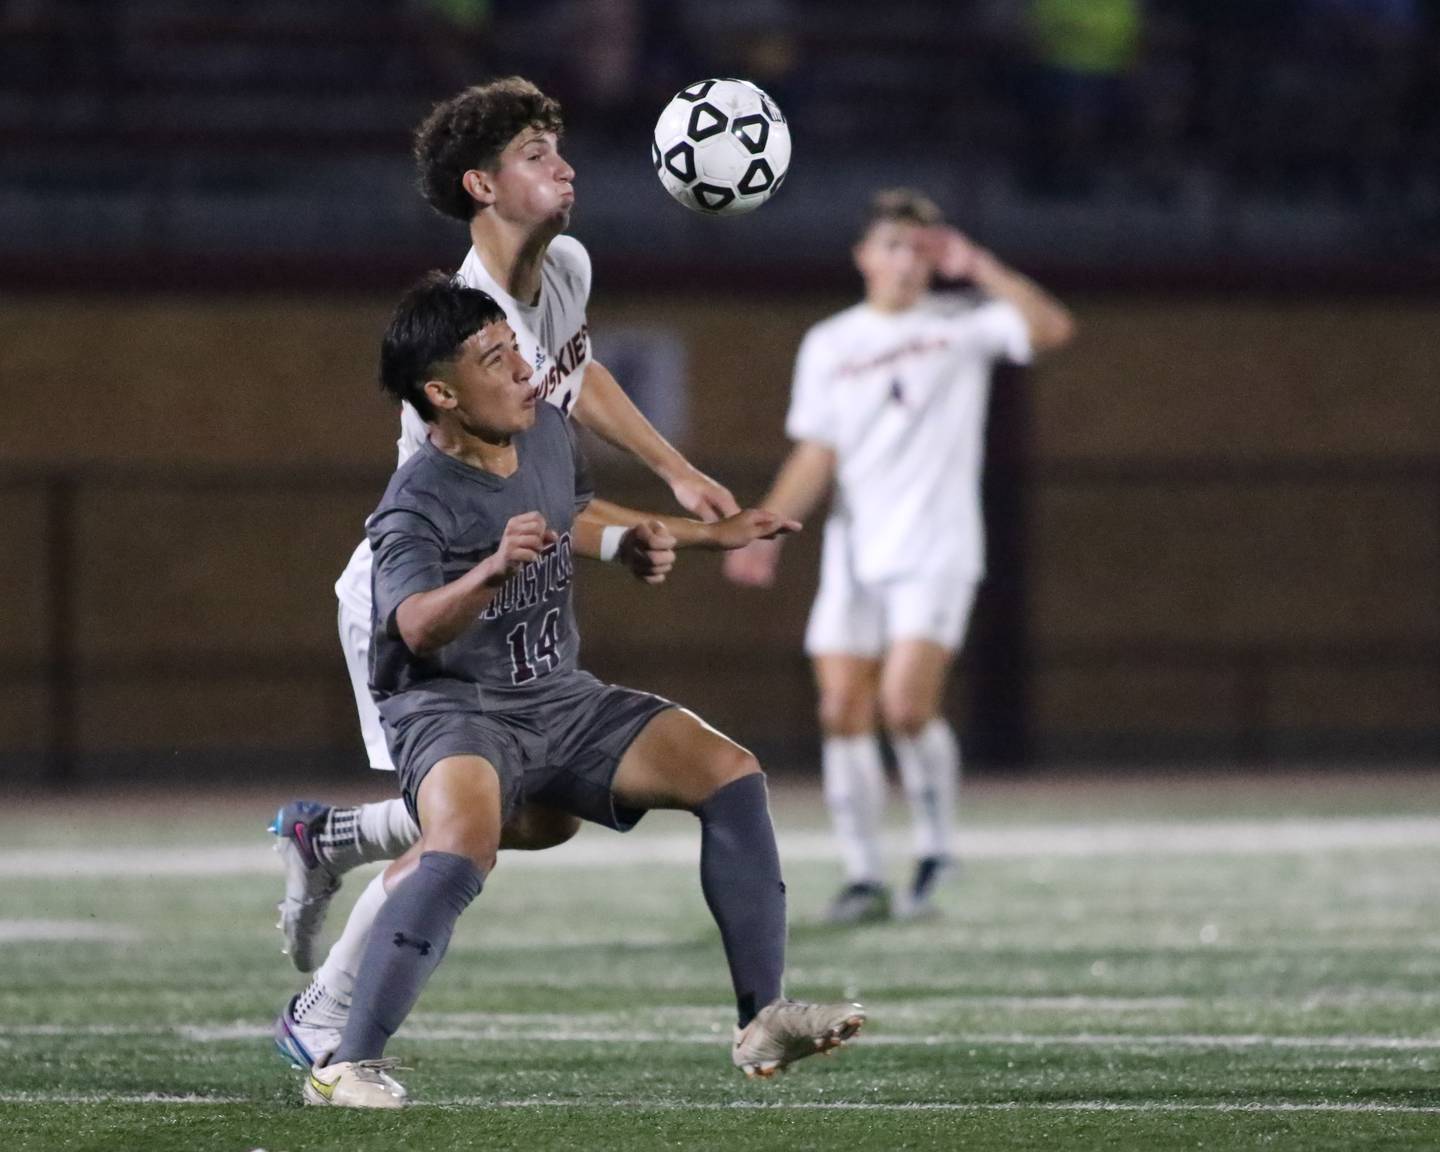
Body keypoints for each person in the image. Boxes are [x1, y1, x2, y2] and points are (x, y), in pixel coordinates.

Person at [302, 273, 864, 1107]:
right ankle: (343, 1064)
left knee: (730, 772)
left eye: (517, 351)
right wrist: (491, 570)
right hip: (456, 709)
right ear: (442, 393)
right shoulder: (414, 501)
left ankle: (762, 1017)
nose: (526, 371)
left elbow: (576, 515)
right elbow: (414, 626)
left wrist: (697, 539)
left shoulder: (549, 434)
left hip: (558, 698)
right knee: (461, 848)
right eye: (497, 360)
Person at [272, 76, 740, 1068]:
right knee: (466, 833)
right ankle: (324, 1019)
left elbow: (583, 369)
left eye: (559, 144)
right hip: (424, 596)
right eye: (537, 152)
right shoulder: (471, 325)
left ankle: (332, 838)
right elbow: (534, 506)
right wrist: (628, 534)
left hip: (503, 583)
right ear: (481, 186)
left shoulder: (562, 263)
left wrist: (676, 470)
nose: (564, 165)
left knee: (543, 818)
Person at [724, 188, 1075, 923]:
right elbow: (817, 450)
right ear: (863, 256)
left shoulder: (963, 325)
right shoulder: (830, 342)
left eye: (920, 248)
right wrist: (768, 532)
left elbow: (1051, 327)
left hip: (938, 544)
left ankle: (936, 849)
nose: (906, 261)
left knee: (906, 706)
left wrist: (980, 267)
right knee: (842, 707)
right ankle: (862, 875)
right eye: (892, 246)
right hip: (856, 550)